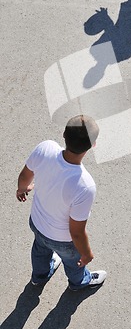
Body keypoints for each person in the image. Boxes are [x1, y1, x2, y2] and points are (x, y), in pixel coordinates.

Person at [16, 115, 107, 291]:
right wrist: (86, 254)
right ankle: (78, 282)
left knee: (39, 250)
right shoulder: (85, 185)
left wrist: (22, 189)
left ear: (64, 133)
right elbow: (77, 232)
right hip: (62, 239)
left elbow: (25, 176)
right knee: (74, 263)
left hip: (36, 223)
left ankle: (39, 277)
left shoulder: (46, 148)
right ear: (93, 145)